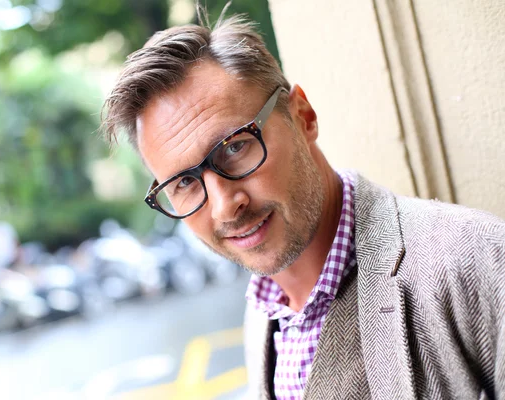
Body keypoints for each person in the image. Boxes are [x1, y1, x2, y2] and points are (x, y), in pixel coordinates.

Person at [101, 8, 505, 400]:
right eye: (185, 182)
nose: (224, 206)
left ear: (303, 116)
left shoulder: (472, 259)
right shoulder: (263, 312)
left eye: (236, 147)